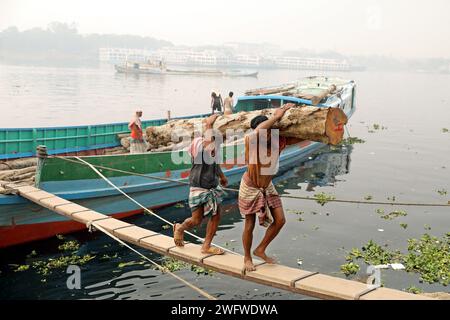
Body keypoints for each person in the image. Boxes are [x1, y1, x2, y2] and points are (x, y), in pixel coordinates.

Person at [239, 103, 302, 271]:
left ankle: (260, 249)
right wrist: (276, 116)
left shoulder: (278, 140)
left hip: (267, 186)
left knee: (280, 220)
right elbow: (258, 132)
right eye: (264, 131)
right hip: (250, 187)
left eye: (268, 131)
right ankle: (247, 258)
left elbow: (303, 136)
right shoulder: (251, 141)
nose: (266, 134)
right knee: (249, 225)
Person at [173, 113, 228, 255]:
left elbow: (215, 164)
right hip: (202, 187)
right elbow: (207, 145)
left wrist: (222, 177)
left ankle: (180, 228)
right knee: (215, 216)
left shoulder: (212, 150)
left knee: (196, 220)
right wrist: (209, 124)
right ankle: (206, 246)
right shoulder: (200, 145)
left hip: (202, 187)